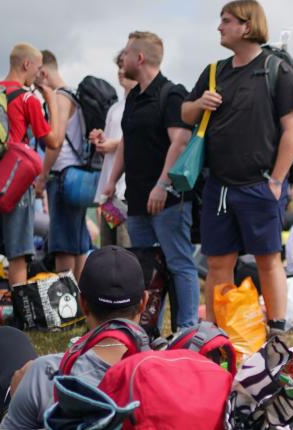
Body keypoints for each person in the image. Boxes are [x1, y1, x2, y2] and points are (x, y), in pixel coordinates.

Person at [180, 0, 293, 337]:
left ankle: (277, 331)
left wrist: (277, 181)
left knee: (268, 260)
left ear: (246, 26)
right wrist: (199, 103)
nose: (219, 27)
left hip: (260, 185)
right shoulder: (212, 72)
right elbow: (185, 114)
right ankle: (213, 331)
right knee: (218, 262)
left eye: (226, 20)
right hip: (218, 187)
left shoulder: (277, 70)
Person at [0, 245, 148, 430]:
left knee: (7, 338)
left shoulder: (45, 372)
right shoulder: (171, 366)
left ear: (82, 303)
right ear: (143, 303)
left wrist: (19, 394)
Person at [101, 31, 195, 330]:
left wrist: (162, 185)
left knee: (179, 264)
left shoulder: (171, 93)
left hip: (167, 200)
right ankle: (146, 327)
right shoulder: (134, 97)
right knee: (144, 269)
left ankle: (187, 329)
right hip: (137, 199)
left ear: (139, 58)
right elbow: (127, 143)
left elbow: (179, 141)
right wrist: (111, 181)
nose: (122, 59)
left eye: (126, 53)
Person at [0, 43, 61, 332]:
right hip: (15, 181)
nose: (37, 74)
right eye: (36, 68)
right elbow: (53, 141)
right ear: (26, 65)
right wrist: (52, 101)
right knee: (18, 252)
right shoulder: (28, 99)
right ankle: (21, 318)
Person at [35, 50, 89, 281]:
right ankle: (79, 300)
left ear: (44, 72)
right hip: (79, 176)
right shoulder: (74, 94)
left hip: (62, 176)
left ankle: (66, 304)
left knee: (63, 245)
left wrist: (42, 175)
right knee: (77, 242)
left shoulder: (59, 97)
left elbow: (54, 142)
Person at [91, 52, 137, 248]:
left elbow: (139, 140)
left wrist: (113, 144)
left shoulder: (140, 105)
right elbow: (110, 145)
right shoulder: (115, 108)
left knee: (126, 250)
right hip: (110, 193)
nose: (120, 71)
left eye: (124, 66)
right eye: (118, 66)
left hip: (126, 192)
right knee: (109, 249)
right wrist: (102, 141)